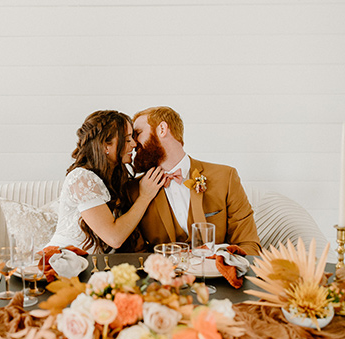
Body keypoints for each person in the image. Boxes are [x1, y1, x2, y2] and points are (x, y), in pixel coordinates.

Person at [130, 106, 261, 255]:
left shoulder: (226, 177)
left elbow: (249, 245)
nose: (133, 143)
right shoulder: (133, 191)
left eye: (138, 133)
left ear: (162, 129)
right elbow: (136, 257)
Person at [49, 110, 164, 252]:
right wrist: (145, 197)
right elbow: (114, 238)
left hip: (95, 266)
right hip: (63, 263)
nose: (134, 144)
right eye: (127, 139)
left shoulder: (113, 178)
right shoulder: (81, 178)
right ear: (105, 146)